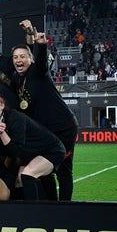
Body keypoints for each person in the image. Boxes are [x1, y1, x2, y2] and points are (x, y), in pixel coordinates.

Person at [13, 21, 78, 201]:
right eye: (15, 57)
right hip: (45, 131)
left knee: (63, 170)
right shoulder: (17, 78)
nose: (19, 60)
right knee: (44, 171)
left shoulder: (38, 71)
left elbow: (41, 61)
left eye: (23, 57)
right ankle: (51, 205)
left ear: (30, 59)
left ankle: (65, 209)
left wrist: (40, 44)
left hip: (62, 127)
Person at [0, 93, 65, 200]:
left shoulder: (15, 118)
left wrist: (2, 134)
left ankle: (34, 212)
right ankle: (22, 211)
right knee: (19, 181)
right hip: (32, 153)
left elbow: (16, 152)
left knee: (27, 175)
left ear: (2, 105)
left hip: (51, 150)